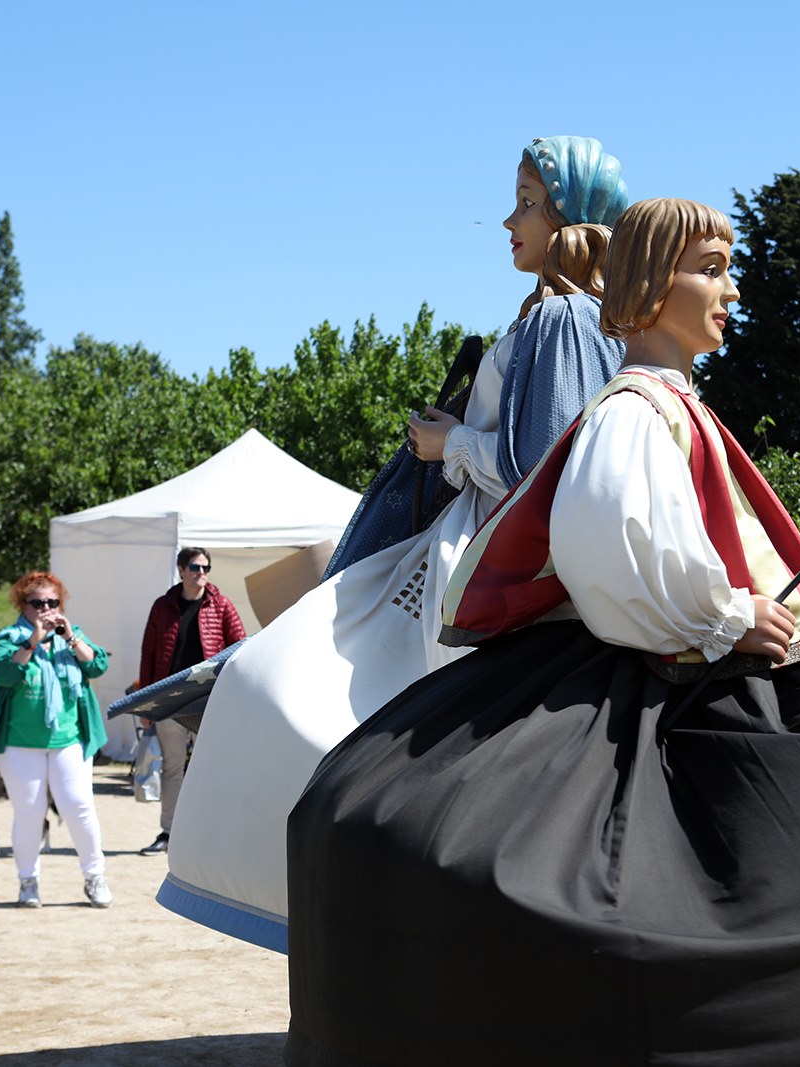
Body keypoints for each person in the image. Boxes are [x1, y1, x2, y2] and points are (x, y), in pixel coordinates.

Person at [283, 198, 800, 1066]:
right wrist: (725, 614)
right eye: (711, 268)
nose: (730, 290)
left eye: (729, 267)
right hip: (659, 657)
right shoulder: (632, 410)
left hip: (692, 648)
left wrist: (726, 613)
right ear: (653, 284)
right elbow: (607, 539)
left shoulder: (672, 403)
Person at [149, 136, 630, 950]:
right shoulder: (564, 317)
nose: (509, 220)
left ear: (568, 216)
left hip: (475, 564)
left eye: (526, 201)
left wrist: (449, 446)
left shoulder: (560, 316)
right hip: (463, 542)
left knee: (272, 679)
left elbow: (547, 472)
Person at [0, 571, 113, 909]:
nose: (45, 609)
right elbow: (3, 675)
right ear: (22, 605)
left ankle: (94, 876)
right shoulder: (7, 638)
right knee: (29, 812)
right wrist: (32, 643)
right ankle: (28, 881)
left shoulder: (70, 637)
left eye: (52, 603)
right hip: (20, 742)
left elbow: (97, 666)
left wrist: (69, 637)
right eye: (37, 603)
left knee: (79, 806)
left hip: (68, 739)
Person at [134, 546, 246, 855]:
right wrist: (147, 699)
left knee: (209, 767)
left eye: (206, 568)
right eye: (196, 567)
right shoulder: (163, 607)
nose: (202, 574)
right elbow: (150, 654)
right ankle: (168, 832)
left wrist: (233, 694)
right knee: (172, 768)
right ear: (181, 570)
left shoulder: (221, 605)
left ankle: (208, 832)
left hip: (209, 699)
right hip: (171, 698)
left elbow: (241, 647)